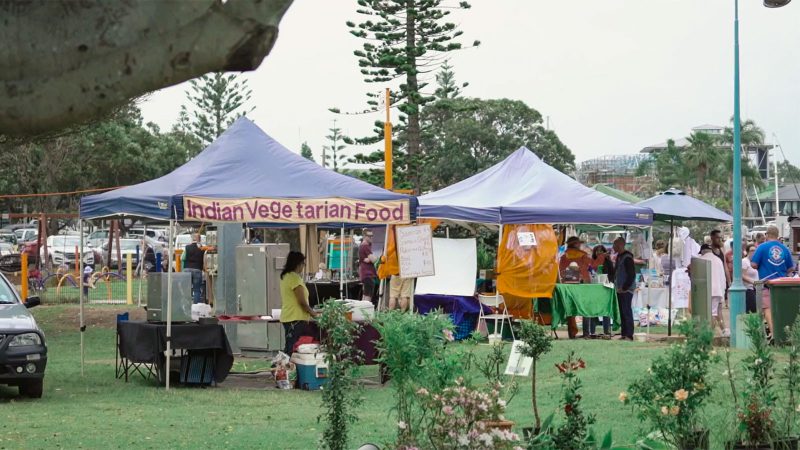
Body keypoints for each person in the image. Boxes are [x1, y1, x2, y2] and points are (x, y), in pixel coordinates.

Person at [751, 225, 797, 338]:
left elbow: (753, 264)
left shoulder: (762, 247)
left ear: (767, 235)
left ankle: (774, 334)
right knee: (781, 309)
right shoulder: (785, 248)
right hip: (781, 285)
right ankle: (785, 334)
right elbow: (791, 268)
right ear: (777, 236)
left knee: (767, 309)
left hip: (767, 283)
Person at [279, 251, 319, 355]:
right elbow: (301, 301)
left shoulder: (286, 276)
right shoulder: (294, 278)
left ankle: (283, 368)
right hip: (295, 318)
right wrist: (313, 313)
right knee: (291, 348)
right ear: (298, 264)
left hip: (290, 317)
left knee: (290, 347)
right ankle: (280, 369)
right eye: (303, 264)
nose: (303, 267)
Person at [698, 244, 729, 337]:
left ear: (703, 251)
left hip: (706, 290)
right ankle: (723, 330)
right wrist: (723, 292)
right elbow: (722, 277)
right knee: (716, 312)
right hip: (718, 290)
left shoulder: (701, 260)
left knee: (711, 313)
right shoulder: (718, 260)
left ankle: (708, 333)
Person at [611, 237, 635, 340]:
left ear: (620, 245)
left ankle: (629, 334)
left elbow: (631, 274)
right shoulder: (619, 257)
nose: (613, 247)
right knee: (622, 312)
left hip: (626, 289)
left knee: (626, 311)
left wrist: (625, 287)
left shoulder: (627, 257)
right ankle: (624, 333)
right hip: (619, 289)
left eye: (614, 245)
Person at [587, 245, 611, 338]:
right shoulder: (591, 262)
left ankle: (607, 331)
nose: (599, 252)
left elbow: (611, 274)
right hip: (593, 289)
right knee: (593, 311)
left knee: (606, 311)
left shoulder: (608, 262)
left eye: (601, 251)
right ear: (594, 252)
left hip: (605, 288)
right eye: (597, 251)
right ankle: (592, 332)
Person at [710, 229, 731, 308]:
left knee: (719, 304)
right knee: (713, 306)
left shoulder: (722, 249)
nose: (720, 240)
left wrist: (729, 281)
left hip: (721, 279)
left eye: (721, 238)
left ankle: (719, 320)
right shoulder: (709, 250)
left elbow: (725, 265)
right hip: (713, 281)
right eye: (717, 238)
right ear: (712, 238)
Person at [183, 233, 206, 304]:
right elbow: (204, 260)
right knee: (196, 290)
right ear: (199, 239)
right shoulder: (202, 248)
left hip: (187, 269)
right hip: (197, 269)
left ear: (192, 239)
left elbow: (182, 258)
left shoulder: (187, 247)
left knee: (187, 289)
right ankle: (196, 307)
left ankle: (186, 305)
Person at [359, 229, 379, 304]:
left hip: (365, 274)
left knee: (365, 294)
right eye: (369, 236)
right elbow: (374, 260)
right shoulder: (365, 246)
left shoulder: (362, 246)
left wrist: (370, 258)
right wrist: (375, 257)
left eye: (372, 236)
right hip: (368, 274)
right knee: (368, 295)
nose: (371, 238)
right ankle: (365, 313)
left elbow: (370, 259)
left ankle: (361, 312)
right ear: (364, 236)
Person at [742, 244, 759, 314]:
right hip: (748, 289)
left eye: (755, 251)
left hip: (756, 289)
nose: (753, 252)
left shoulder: (756, 262)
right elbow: (742, 275)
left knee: (756, 309)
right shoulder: (744, 261)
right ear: (747, 252)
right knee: (751, 309)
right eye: (751, 250)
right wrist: (753, 282)